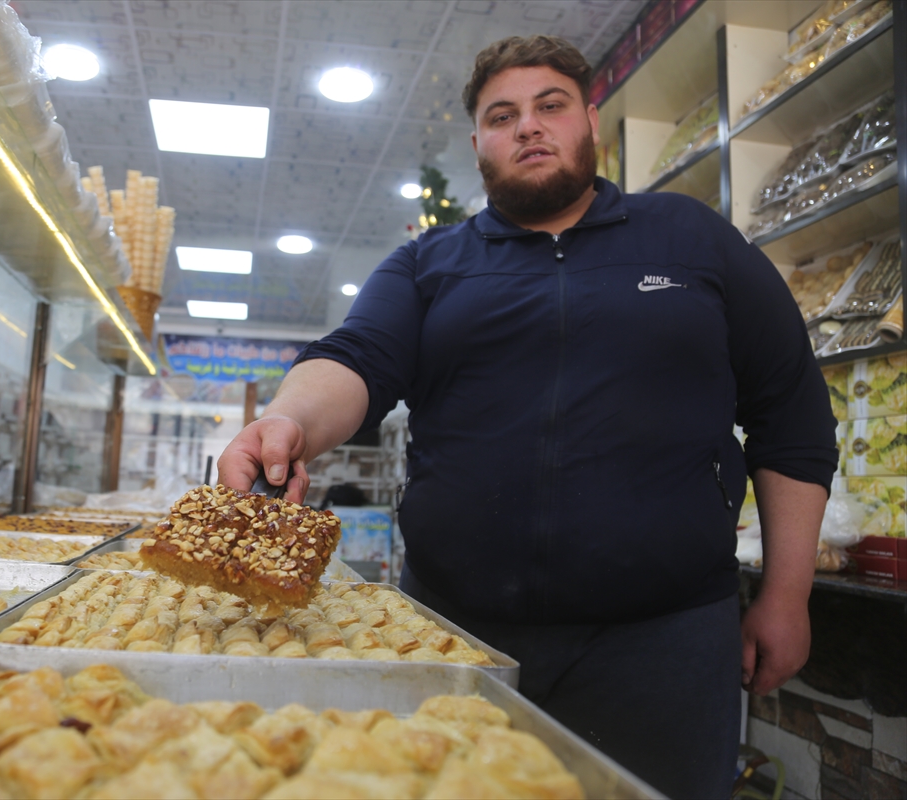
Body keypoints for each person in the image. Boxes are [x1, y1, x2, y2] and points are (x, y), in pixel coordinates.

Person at [218, 35, 837, 799]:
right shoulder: (430, 264)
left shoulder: (689, 238)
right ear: (479, 142)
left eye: (551, 107)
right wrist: (288, 422)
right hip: (455, 633)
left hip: (667, 642)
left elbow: (793, 415)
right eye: (502, 115)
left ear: (589, 123)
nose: (528, 127)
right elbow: (355, 358)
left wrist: (787, 596)